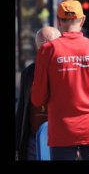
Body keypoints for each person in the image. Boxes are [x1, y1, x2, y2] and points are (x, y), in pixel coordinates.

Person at [31, 0, 89, 160]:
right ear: (83, 19)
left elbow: (37, 98)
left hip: (62, 128)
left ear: (58, 21)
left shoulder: (47, 50)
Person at [16, 26, 61, 160]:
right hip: (34, 140)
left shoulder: (68, 69)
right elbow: (22, 109)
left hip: (63, 140)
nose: (46, 50)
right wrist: (18, 144)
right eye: (42, 46)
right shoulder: (29, 73)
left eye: (50, 45)